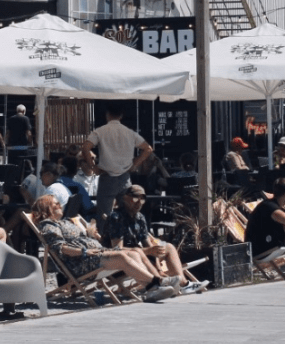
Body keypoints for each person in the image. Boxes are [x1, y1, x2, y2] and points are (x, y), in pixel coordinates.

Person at [31, 194, 180, 303]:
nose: (60, 206)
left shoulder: (66, 222)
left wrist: (92, 235)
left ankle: (151, 288)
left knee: (135, 252)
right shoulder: (48, 225)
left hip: (96, 254)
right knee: (122, 257)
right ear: (46, 209)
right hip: (82, 262)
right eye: (56, 204)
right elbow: (60, 248)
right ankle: (157, 283)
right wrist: (84, 251)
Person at [104, 185, 208, 293]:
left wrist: (158, 268)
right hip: (117, 262)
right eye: (135, 198)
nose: (139, 202)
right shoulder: (116, 217)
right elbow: (117, 249)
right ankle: (159, 283)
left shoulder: (140, 218)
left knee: (169, 247)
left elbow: (150, 247)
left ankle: (184, 284)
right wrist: (148, 251)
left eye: (142, 199)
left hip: (139, 256)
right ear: (125, 198)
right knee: (138, 252)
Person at [81, 102, 153, 232]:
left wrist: (93, 167)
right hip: (125, 177)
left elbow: (85, 147)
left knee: (104, 215)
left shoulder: (100, 131)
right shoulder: (130, 132)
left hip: (107, 176)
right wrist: (135, 164)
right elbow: (148, 149)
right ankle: (129, 238)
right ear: (121, 116)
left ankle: (105, 241)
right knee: (128, 212)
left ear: (107, 115)